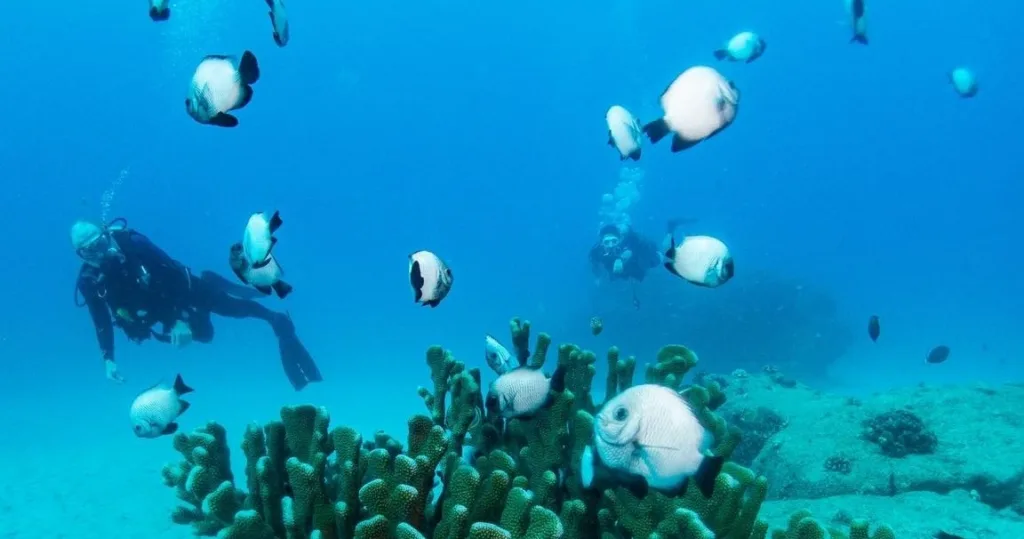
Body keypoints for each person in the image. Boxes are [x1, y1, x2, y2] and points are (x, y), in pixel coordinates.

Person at [71, 218, 323, 391]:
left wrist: (180, 318)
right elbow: (101, 320)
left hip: (184, 291)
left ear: (107, 235)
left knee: (231, 309)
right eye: (88, 252)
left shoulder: (134, 245)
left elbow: (174, 275)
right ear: (80, 256)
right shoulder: (90, 281)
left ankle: (274, 319)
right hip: (160, 311)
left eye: (100, 245)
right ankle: (211, 285)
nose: (99, 255)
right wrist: (108, 359)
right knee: (205, 336)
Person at [589, 223, 662, 283]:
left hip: (637, 266)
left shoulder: (629, 243)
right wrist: (598, 278)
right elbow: (594, 263)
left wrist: (622, 258)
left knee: (646, 264)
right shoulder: (596, 251)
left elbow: (643, 244)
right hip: (619, 273)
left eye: (614, 241)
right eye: (606, 242)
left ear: (619, 240)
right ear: (601, 243)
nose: (610, 246)